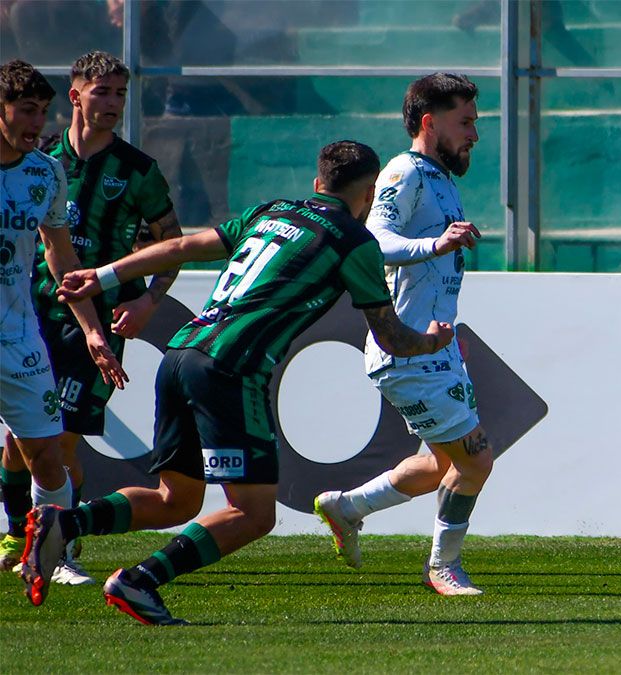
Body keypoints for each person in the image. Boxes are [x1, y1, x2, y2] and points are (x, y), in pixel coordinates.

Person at [21, 140, 455, 624]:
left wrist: (102, 276)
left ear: (318, 183)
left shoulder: (271, 211)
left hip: (181, 354)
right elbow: (391, 337)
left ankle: (64, 521)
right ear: (370, 193)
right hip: (230, 370)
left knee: (176, 500)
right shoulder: (354, 241)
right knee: (254, 514)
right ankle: (139, 580)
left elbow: (182, 246)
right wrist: (432, 341)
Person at [0, 51, 181, 587]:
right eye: (103, 91)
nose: (114, 103)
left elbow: (170, 245)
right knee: (18, 446)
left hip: (87, 319)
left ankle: (59, 546)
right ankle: (19, 533)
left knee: (60, 442)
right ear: (76, 96)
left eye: (121, 93)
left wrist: (147, 301)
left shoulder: (134, 171)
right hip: (35, 310)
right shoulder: (45, 158)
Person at [313, 73, 494, 596]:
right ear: (430, 122)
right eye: (465, 122)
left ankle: (347, 507)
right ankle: (443, 567)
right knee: (476, 459)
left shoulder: (441, 178)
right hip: (408, 349)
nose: (474, 134)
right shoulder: (405, 171)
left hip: (434, 349)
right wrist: (435, 245)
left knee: (440, 463)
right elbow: (373, 238)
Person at [0, 59, 127, 598]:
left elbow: (60, 256)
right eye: (26, 110)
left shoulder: (47, 173)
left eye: (42, 111)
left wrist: (92, 329)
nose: (37, 122)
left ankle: (51, 554)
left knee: (49, 457)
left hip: (20, 338)